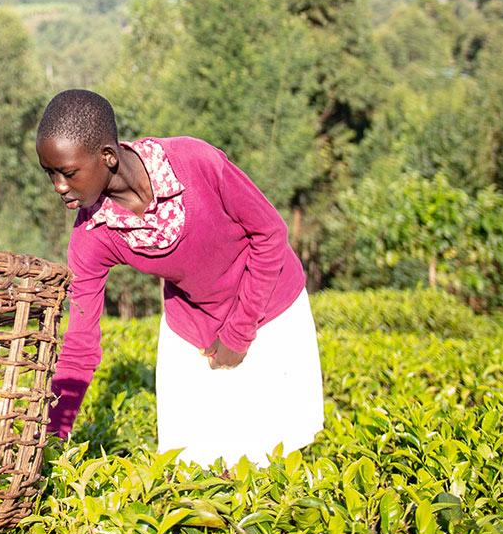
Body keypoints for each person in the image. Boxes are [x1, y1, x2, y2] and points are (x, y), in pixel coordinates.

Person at [35, 89, 323, 467]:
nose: (58, 185)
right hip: (193, 327)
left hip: (269, 307)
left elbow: (270, 233)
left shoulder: (194, 161)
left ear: (107, 156)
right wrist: (53, 434)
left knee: (275, 463)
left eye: (68, 172)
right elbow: (80, 346)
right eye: (51, 173)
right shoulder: (92, 236)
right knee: (191, 468)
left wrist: (238, 334)